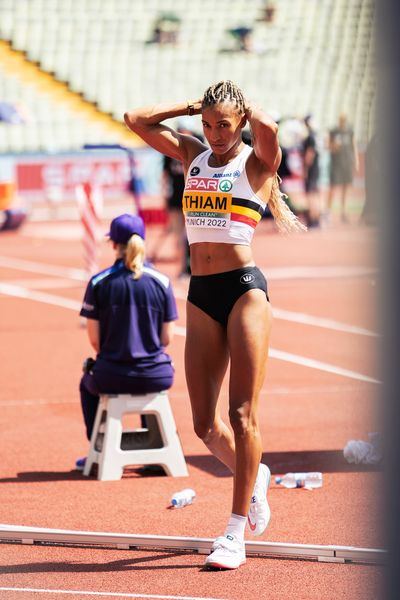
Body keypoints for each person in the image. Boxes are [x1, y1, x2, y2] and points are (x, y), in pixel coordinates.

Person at [124, 80, 305, 570]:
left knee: (243, 415)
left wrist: (246, 108)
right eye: (207, 124)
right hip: (202, 296)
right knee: (205, 425)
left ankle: (233, 534)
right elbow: (135, 118)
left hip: (245, 290)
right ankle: (256, 475)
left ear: (240, 120)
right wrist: (192, 106)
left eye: (223, 124)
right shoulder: (193, 155)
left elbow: (268, 128)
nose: (215, 133)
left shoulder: (256, 161)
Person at [77, 213, 178, 470]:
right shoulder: (162, 282)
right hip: (157, 375)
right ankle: (157, 449)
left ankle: (98, 448)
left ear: (113, 244)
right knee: (151, 380)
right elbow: (167, 338)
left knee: (85, 382)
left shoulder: (100, 283)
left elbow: (95, 341)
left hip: (111, 375)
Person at [326, 113, 359, 223]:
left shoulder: (350, 131)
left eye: (344, 119)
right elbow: (328, 146)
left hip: (347, 163)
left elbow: (354, 146)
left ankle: (343, 212)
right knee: (333, 188)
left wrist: (356, 161)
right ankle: (328, 212)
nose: (343, 121)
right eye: (341, 119)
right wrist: (334, 146)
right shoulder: (333, 131)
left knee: (346, 188)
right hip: (336, 163)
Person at [301, 114, 320, 227]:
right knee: (314, 193)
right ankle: (316, 218)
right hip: (316, 168)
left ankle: (313, 218)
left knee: (310, 194)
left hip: (311, 169)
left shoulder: (310, 137)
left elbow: (309, 154)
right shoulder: (315, 135)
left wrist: (305, 169)